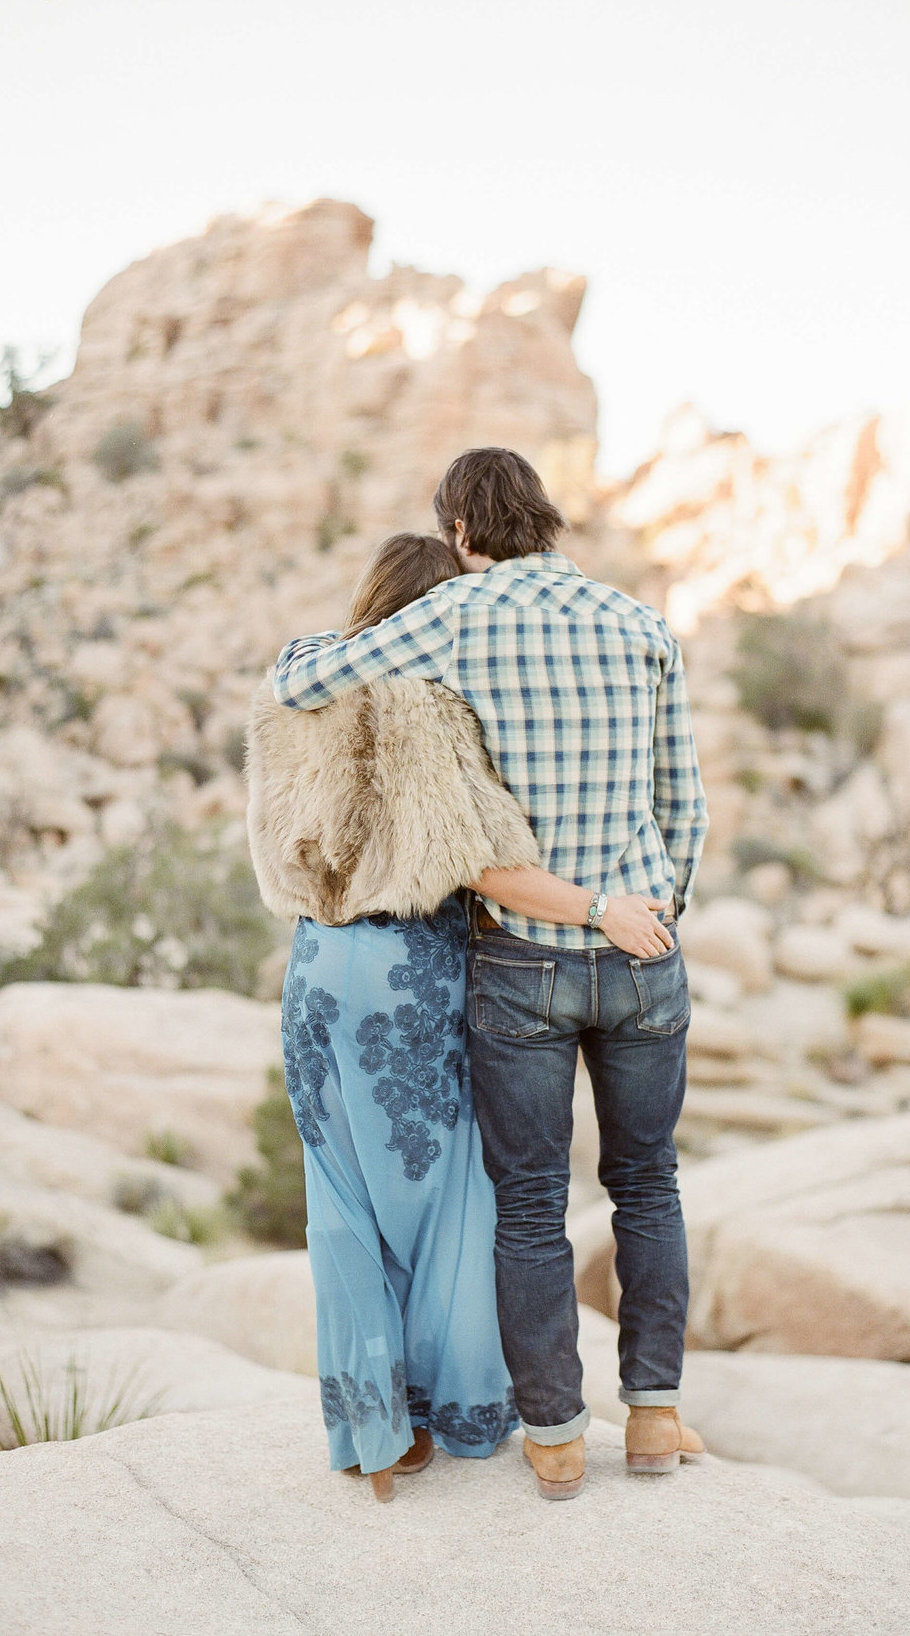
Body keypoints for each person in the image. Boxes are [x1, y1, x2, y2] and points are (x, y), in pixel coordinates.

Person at [272, 451, 710, 1501]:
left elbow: (303, 682)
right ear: (547, 518)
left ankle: (554, 1436)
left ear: (460, 530)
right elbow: (682, 803)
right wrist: (659, 912)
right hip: (641, 946)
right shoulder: (641, 623)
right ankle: (653, 1419)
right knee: (649, 1186)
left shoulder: (460, 616)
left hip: (520, 954)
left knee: (527, 1203)